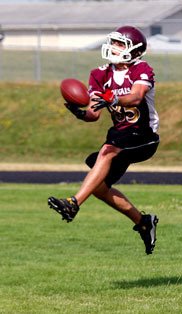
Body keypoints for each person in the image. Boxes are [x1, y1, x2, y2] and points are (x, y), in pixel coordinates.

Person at [48, 25, 159, 255]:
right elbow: (94, 113)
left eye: (120, 43)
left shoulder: (142, 68)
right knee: (99, 188)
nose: (113, 47)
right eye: (113, 42)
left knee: (107, 151)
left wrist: (113, 97)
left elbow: (137, 97)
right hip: (119, 135)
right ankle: (144, 222)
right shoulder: (99, 74)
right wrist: (80, 112)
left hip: (143, 135)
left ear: (134, 50)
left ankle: (73, 203)